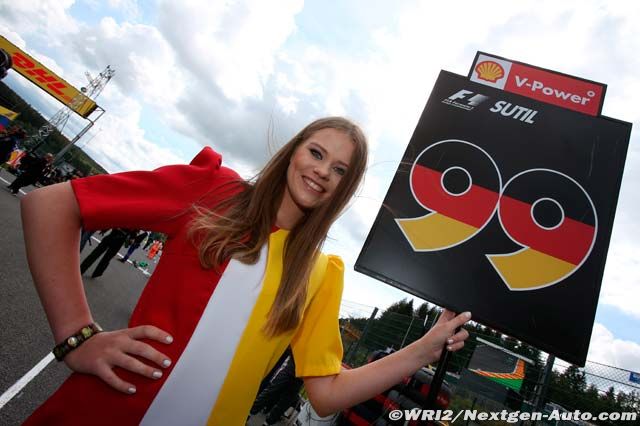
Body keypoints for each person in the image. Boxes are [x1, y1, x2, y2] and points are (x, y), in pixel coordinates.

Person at [20, 117, 471, 425]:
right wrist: (77, 337)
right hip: (104, 410)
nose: (321, 171)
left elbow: (326, 394)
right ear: (293, 152)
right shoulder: (213, 190)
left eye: (339, 169)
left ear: (344, 188)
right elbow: (49, 205)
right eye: (316, 152)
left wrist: (424, 349)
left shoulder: (320, 273)